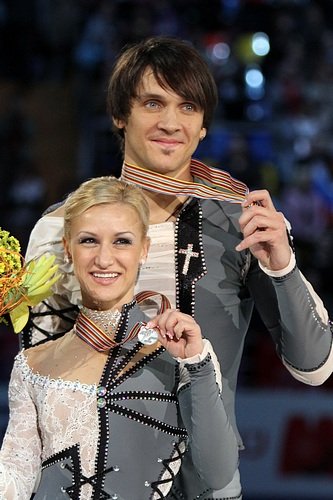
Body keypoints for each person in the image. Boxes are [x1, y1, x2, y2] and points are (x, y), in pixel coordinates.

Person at [22, 36, 333, 498]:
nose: (171, 123)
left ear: (204, 125)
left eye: (188, 107)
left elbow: (315, 368)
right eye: (153, 103)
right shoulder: (62, 227)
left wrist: (283, 267)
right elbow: (36, 389)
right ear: (119, 115)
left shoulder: (242, 222)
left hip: (209, 482)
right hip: (86, 480)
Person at [0, 176, 239, 499]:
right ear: (67, 249)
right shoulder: (32, 363)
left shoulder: (182, 356)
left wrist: (197, 366)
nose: (104, 259)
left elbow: (218, 472)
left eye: (121, 241)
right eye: (88, 241)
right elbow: (15, 473)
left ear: (144, 249)